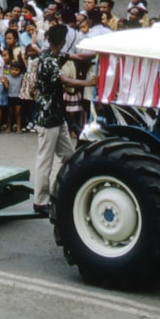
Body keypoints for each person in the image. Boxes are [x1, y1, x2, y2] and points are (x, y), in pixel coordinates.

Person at [32, 24, 95, 215]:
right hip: (47, 116)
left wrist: (98, 51)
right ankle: (40, 201)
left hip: (57, 116)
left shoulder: (53, 54)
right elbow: (66, 81)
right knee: (45, 160)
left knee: (69, 156)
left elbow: (78, 57)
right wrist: (88, 83)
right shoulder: (49, 60)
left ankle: (63, 190)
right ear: (62, 41)